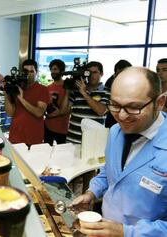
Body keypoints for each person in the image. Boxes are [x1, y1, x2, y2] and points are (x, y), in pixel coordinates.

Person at [71, 67, 167, 236]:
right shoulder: (116, 131)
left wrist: (126, 233)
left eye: (133, 107)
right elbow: (109, 172)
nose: (121, 116)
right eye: (115, 105)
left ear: (159, 103)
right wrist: (92, 193)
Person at [5, 59, 49, 147]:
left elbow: (39, 112)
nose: (28, 74)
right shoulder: (16, 87)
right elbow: (10, 113)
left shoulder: (42, 89)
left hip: (33, 139)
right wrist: (7, 92)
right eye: (26, 71)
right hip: (15, 136)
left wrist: (21, 98)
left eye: (31, 71)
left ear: (36, 72)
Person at [67, 61, 110, 144]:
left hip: (93, 143)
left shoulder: (107, 92)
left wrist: (84, 93)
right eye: (88, 73)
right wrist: (67, 90)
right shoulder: (77, 90)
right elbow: (65, 110)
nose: (91, 76)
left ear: (101, 74)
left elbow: (100, 111)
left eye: (94, 72)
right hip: (72, 140)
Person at [44, 59, 70, 146]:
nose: (52, 71)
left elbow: (69, 108)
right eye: (51, 69)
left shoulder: (68, 88)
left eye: (55, 69)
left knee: (61, 154)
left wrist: (58, 113)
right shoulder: (47, 88)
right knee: (46, 152)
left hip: (62, 128)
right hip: (48, 126)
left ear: (61, 71)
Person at [104, 59, 132, 128]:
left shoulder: (125, 80)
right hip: (113, 116)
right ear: (117, 70)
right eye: (125, 71)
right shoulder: (110, 82)